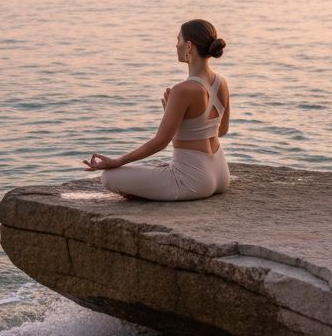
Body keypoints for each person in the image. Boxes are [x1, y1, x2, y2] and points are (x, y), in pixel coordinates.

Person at [82, 19, 230, 201]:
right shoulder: (221, 83)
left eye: (178, 40)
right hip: (221, 173)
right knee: (156, 168)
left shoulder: (182, 90)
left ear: (189, 46)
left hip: (193, 182)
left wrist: (116, 161)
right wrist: (182, 120)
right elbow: (221, 130)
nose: (176, 45)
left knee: (109, 177)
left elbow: (160, 142)